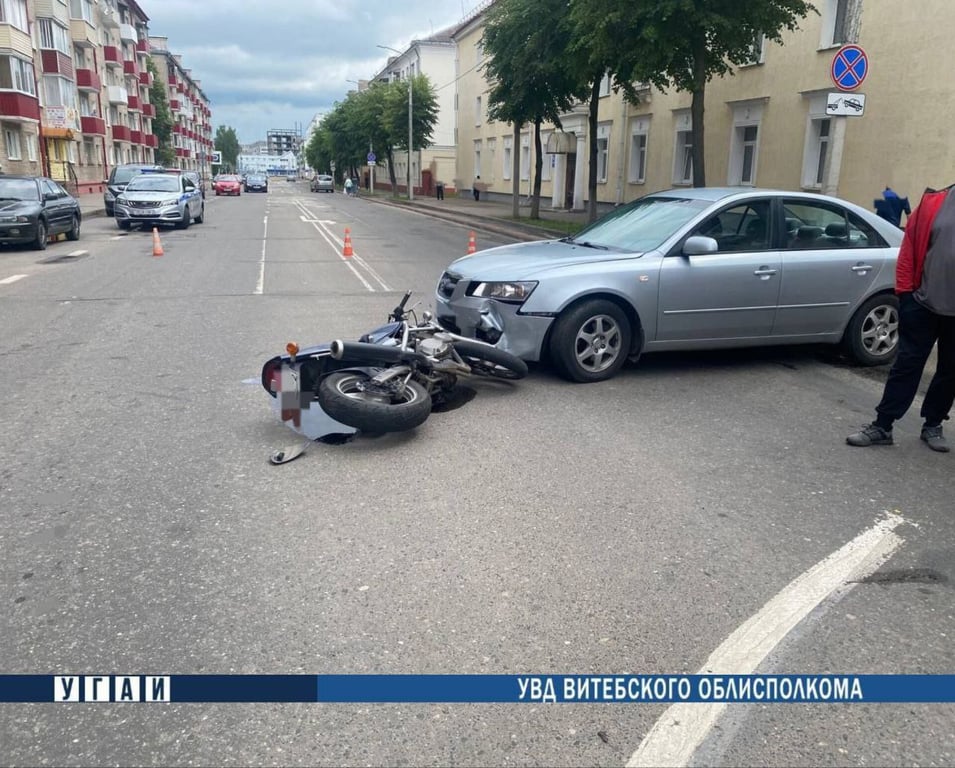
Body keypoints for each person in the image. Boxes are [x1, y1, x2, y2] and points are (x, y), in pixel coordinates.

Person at [847, 184, 955, 452]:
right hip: (923, 302)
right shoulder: (934, 202)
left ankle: (933, 424)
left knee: (950, 372)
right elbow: (909, 248)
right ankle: (883, 425)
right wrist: (906, 294)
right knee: (906, 365)